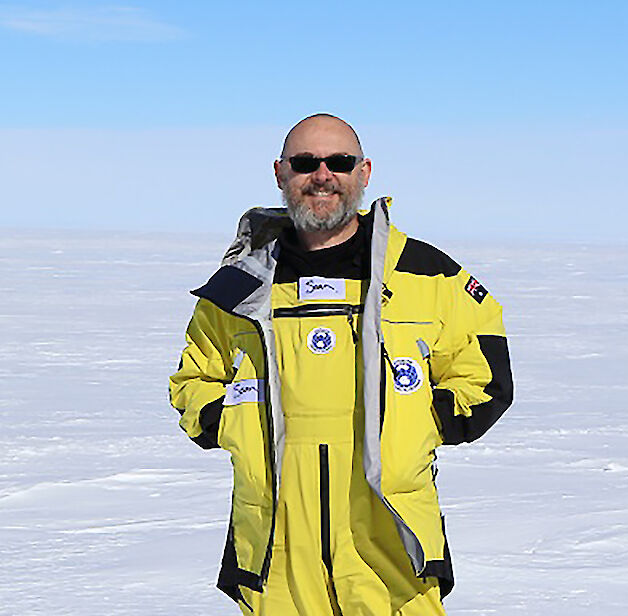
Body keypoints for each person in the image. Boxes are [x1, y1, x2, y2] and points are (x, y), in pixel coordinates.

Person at [169, 114, 512, 615]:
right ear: (281, 173)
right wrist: (235, 424)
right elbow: (193, 381)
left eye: (339, 162)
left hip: (391, 544)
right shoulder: (239, 287)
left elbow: (485, 376)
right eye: (305, 163)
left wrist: (419, 420)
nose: (323, 175)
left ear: (365, 172)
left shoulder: (425, 271)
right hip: (276, 541)